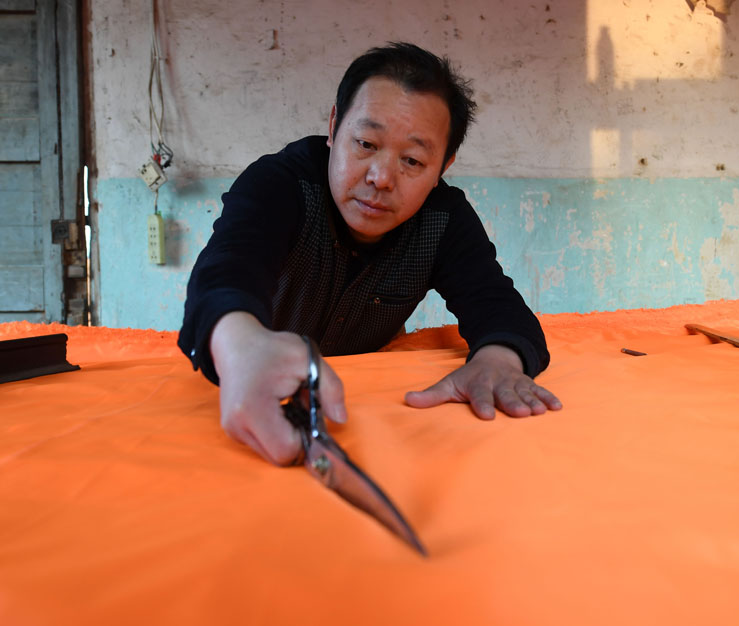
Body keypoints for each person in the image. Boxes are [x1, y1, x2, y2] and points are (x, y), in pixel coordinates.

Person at [178, 42, 561, 466]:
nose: (381, 178)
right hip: (249, 392)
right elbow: (228, 269)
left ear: (443, 168)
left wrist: (498, 359)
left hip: (370, 417)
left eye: (413, 161)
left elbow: (495, 303)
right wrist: (240, 345)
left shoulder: (443, 220)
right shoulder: (281, 185)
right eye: (365, 143)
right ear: (333, 127)